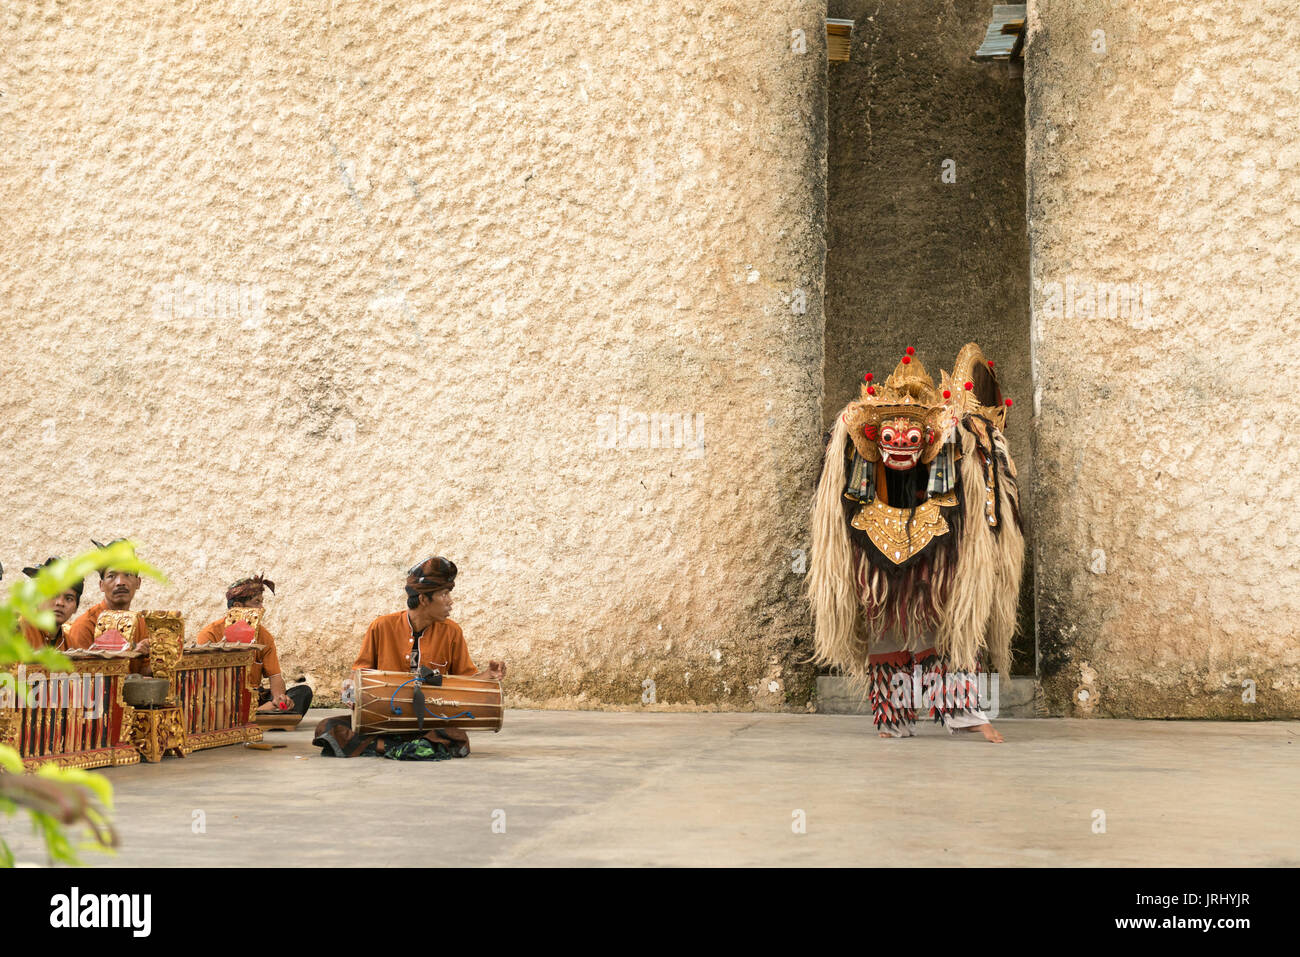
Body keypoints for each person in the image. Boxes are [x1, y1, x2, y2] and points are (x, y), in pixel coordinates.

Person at [809, 344, 1024, 742]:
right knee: (882, 627)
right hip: (873, 544)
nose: (900, 444)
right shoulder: (858, 462)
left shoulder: (951, 456)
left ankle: (964, 713)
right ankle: (892, 716)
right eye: (890, 435)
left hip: (934, 543)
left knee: (941, 624)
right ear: (874, 438)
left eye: (911, 436)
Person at [315, 556, 505, 759]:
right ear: (424, 599)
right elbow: (356, 676)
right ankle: (405, 749)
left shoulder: (452, 632)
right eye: (444, 594)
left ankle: (382, 748)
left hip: (428, 722)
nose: (450, 601)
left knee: (457, 737)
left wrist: (488, 675)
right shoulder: (381, 626)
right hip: (384, 720)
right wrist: (349, 694)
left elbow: (466, 682)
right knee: (327, 727)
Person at [194, 575, 312, 716]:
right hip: (220, 699)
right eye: (256, 602)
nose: (262, 608)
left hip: (254, 698)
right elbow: (205, 682)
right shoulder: (210, 634)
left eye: (262, 602)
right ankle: (261, 714)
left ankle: (257, 713)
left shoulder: (264, 636)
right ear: (237, 607)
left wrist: (278, 699)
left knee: (302, 693)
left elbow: (275, 676)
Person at [65, 540, 151, 653]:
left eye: (128, 574)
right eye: (111, 576)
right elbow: (81, 669)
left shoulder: (140, 623)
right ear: (101, 585)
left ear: (138, 583)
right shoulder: (85, 625)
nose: (120, 582)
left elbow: (144, 669)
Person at [18, 557, 83, 649]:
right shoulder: (18, 629)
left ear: (76, 608)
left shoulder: (70, 645)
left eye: (69, 599)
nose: (60, 603)